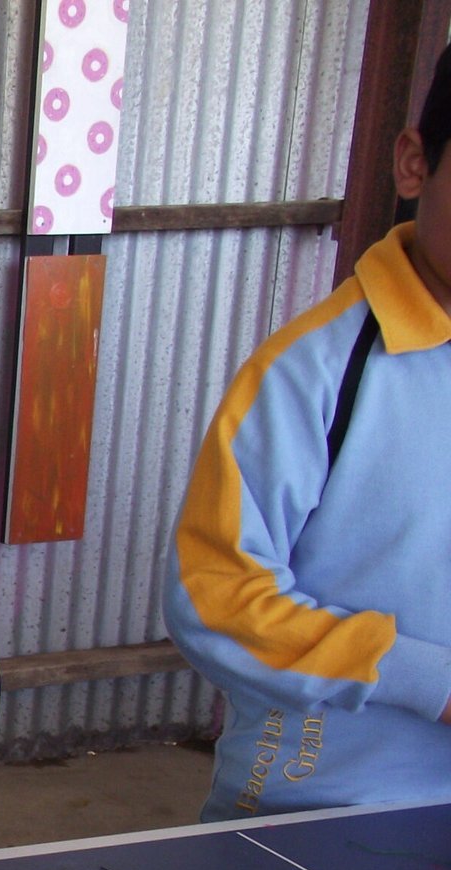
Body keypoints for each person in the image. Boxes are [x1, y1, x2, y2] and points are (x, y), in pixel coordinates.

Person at [164, 48, 451, 822]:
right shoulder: (313, 372)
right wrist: (428, 681)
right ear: (415, 164)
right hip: (319, 815)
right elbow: (212, 597)